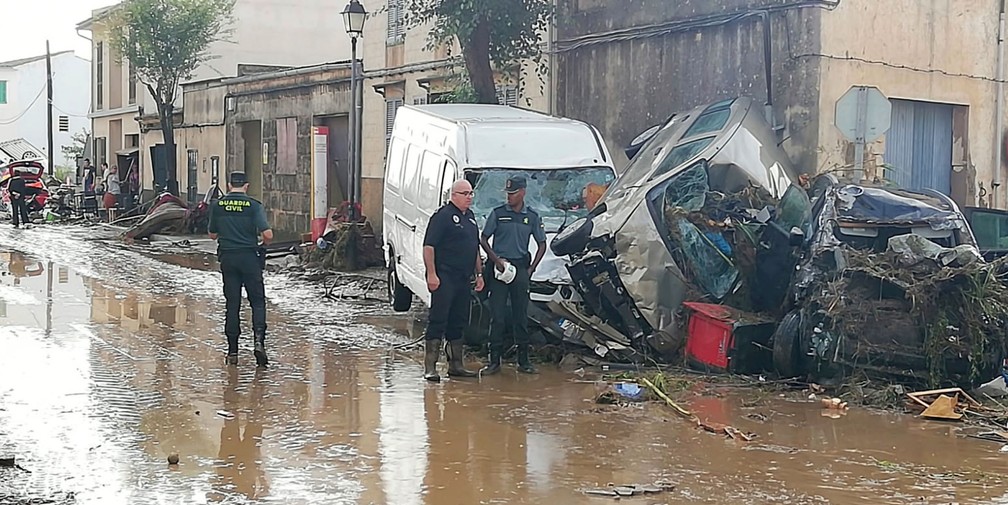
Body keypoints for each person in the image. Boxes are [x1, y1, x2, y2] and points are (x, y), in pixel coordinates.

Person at [479, 176, 546, 375]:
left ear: (523, 192)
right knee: (497, 316)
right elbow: (483, 238)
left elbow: (542, 244)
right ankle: (494, 361)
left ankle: (523, 361)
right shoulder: (498, 214)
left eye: (513, 193)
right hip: (499, 270)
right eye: (507, 193)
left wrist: (531, 269)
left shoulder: (532, 217)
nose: (509, 197)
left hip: (520, 269)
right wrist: (496, 260)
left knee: (520, 316)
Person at [208, 172, 273, 367]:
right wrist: (263, 244)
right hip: (249, 258)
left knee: (232, 304)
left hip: (228, 258)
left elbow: (212, 235)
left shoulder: (218, 205)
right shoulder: (254, 206)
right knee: (257, 302)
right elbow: (268, 234)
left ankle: (233, 352)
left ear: (229, 185)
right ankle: (259, 342)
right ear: (246, 186)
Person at [421, 179, 484, 381]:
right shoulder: (442, 217)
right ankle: (430, 367)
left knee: (458, 320)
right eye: (465, 193)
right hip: (444, 276)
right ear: (454, 195)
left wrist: (479, 274)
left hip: (464, 278)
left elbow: (474, 247)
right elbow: (429, 246)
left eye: (471, 193)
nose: (469, 197)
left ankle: (456, 365)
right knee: (438, 319)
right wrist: (431, 274)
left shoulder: (470, 218)